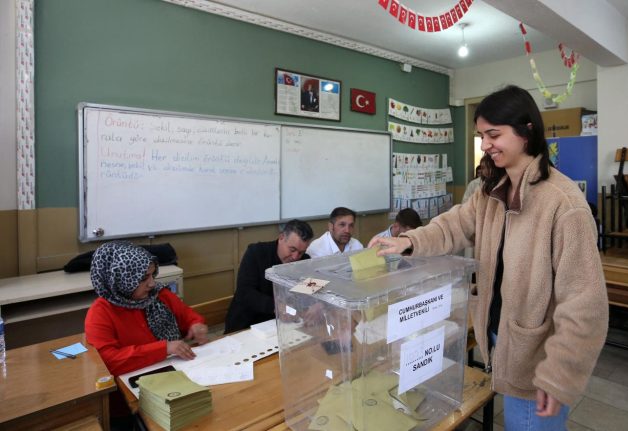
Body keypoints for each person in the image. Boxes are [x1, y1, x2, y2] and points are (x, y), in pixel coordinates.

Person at [370, 85, 608, 431]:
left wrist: (559, 374)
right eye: (482, 135)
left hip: (536, 356)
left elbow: (585, 305)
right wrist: (408, 241)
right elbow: (453, 225)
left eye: (494, 134)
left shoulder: (564, 205)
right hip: (500, 338)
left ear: (527, 132)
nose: (485, 145)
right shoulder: (492, 192)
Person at [84, 240, 208, 425]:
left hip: (176, 383)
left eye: (152, 275)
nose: (151, 283)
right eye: (143, 279)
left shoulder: (159, 295)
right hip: (129, 403)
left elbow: (187, 316)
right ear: (120, 279)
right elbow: (109, 362)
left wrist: (196, 325)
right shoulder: (100, 313)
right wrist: (164, 348)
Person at [225, 219, 314, 333]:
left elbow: (310, 291)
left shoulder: (305, 260)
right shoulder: (256, 252)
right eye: (292, 249)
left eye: (301, 252)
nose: (295, 257)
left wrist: (316, 304)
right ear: (281, 238)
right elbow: (245, 292)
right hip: (247, 324)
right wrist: (277, 306)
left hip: (284, 325)